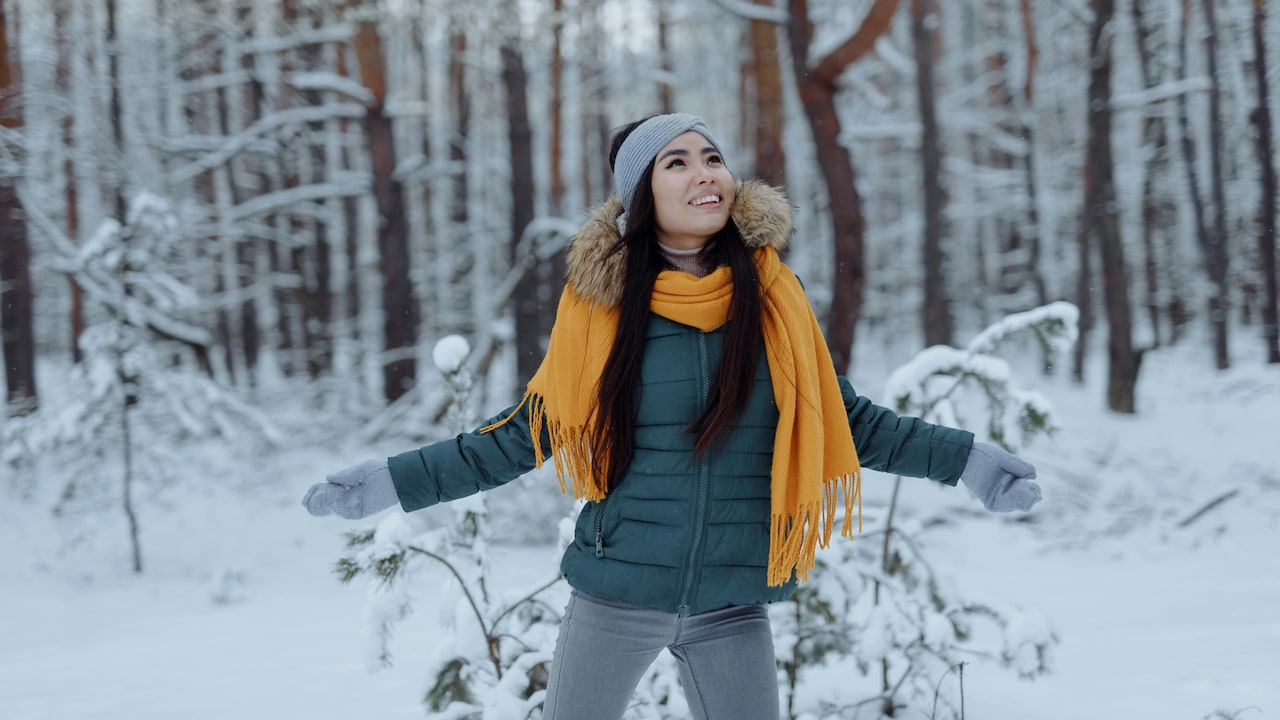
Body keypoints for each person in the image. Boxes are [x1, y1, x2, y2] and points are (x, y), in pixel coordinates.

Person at [302, 113, 1041, 720]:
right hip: (614, 594)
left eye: (712, 157)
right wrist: (388, 483)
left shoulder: (774, 301)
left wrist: (970, 462)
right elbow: (524, 435)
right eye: (677, 162)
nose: (704, 172)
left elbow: (852, 422)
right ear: (642, 196)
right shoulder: (600, 313)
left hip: (733, 605)